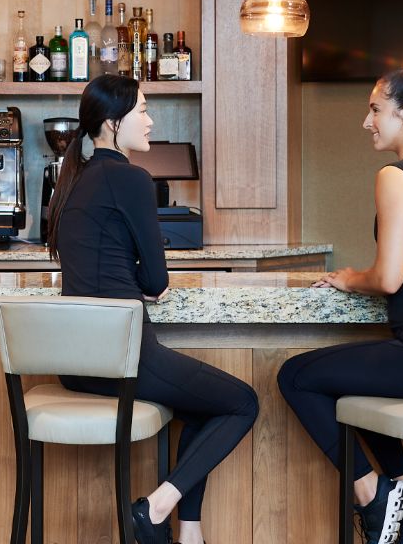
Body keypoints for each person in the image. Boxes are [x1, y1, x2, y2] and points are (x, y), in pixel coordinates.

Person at [47, 75, 259, 544]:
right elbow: (156, 281)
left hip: (77, 364)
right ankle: (153, 510)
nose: (151, 120)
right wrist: (145, 281)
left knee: (204, 410)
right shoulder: (130, 178)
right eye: (142, 110)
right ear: (112, 122)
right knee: (243, 403)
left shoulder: (77, 181)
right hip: (122, 357)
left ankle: (189, 533)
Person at [277, 59, 403, 544]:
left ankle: (373, 494)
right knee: (358, 387)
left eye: (375, 109)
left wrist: (350, 279)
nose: (367, 121)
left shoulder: (398, 175)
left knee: (295, 377)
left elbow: (390, 277)